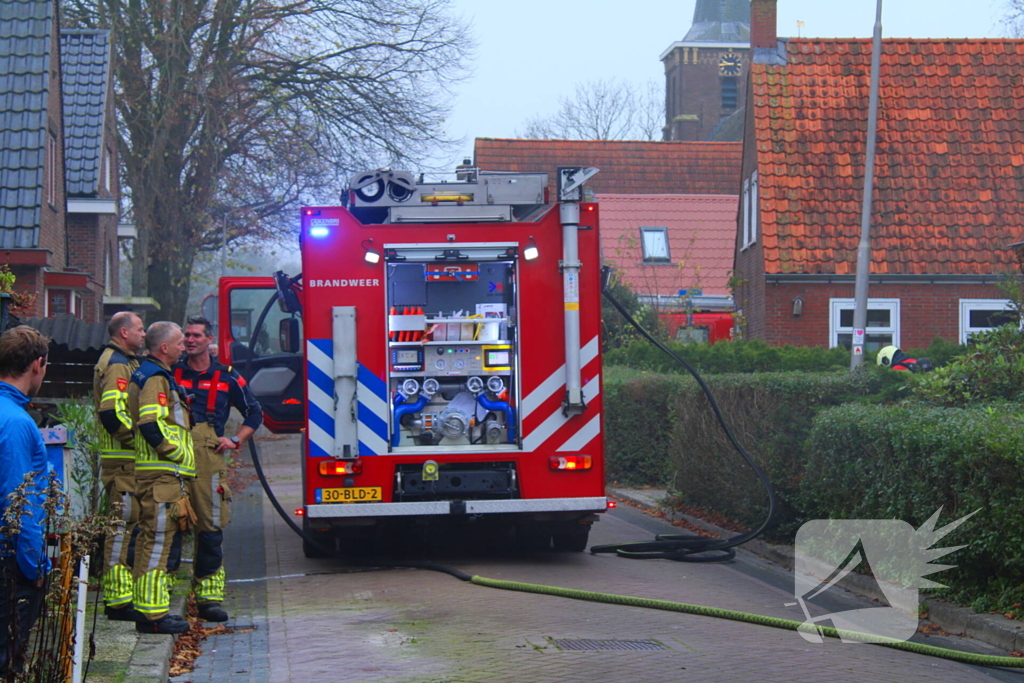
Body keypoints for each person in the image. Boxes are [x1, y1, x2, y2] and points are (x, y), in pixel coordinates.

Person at [173, 316, 261, 622]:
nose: (190, 340)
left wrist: (235, 439)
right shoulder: (172, 372)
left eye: (197, 335)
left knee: (210, 527)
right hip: (171, 453)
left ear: (210, 340)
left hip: (209, 457)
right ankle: (167, 594)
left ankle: (209, 598)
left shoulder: (227, 376)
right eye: (186, 335)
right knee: (170, 523)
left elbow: (254, 412)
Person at [128, 322, 194, 634]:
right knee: (157, 543)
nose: (184, 347)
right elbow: (149, 422)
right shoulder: (155, 377)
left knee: (149, 542)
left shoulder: (150, 374)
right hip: (161, 476)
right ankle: (153, 617)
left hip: (156, 474)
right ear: (164, 348)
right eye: (180, 342)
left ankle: (148, 610)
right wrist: (174, 453)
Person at [0, 326, 51, 674]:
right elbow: (17, 502)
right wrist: (35, 566)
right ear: (37, 364)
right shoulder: (18, 423)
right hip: (9, 563)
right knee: (7, 657)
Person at [92, 311, 145, 621]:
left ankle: (122, 594)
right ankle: (117, 599)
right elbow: (111, 412)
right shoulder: (117, 364)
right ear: (123, 332)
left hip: (124, 463)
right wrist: (135, 440)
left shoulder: (122, 360)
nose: (143, 333)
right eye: (139, 329)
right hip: (122, 462)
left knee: (125, 527)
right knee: (120, 529)